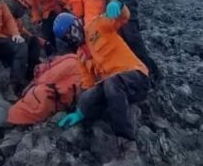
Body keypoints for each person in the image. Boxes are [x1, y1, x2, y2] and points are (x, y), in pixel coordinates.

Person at [52, 9, 151, 141]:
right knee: (88, 97)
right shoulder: (80, 56)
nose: (73, 37)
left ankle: (125, 138)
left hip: (136, 78)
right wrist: (80, 110)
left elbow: (121, 18)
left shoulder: (97, 25)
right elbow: (88, 84)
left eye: (73, 31)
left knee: (111, 83)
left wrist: (119, 7)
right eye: (68, 37)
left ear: (77, 22)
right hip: (117, 90)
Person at [9, 0, 45, 79]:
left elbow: (24, 32)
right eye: (23, 9)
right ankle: (28, 74)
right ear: (17, 5)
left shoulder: (16, 19)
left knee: (33, 40)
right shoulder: (6, 16)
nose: (24, 12)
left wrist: (42, 42)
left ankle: (32, 68)